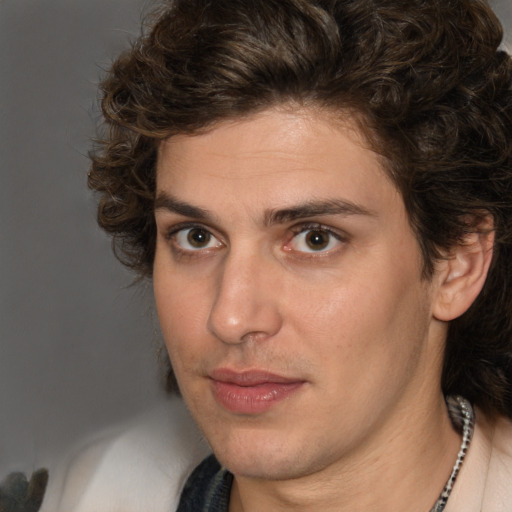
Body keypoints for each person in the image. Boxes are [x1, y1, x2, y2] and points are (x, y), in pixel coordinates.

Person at [48, 0, 512, 510]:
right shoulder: (90, 494)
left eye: (315, 239)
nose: (230, 317)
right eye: (196, 236)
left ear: (458, 264)